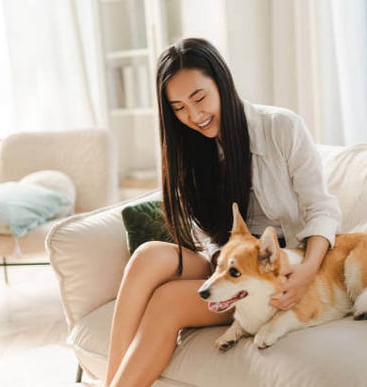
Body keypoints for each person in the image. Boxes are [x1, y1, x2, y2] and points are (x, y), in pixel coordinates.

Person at [105, 37, 341, 387]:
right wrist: (218, 270)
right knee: (147, 257)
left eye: (199, 98)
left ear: (221, 82)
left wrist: (307, 270)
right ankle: (109, 380)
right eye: (179, 107)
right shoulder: (192, 151)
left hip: (272, 272)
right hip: (225, 263)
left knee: (167, 300)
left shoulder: (281, 128)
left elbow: (320, 208)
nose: (194, 115)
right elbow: (207, 237)